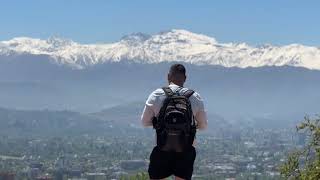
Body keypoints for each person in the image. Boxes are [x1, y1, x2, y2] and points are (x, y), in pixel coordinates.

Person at [141, 63, 208, 180]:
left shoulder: (156, 95)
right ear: (185, 78)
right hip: (186, 149)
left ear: (168, 76)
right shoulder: (195, 97)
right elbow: (203, 126)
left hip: (162, 147)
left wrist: (159, 124)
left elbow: (144, 122)